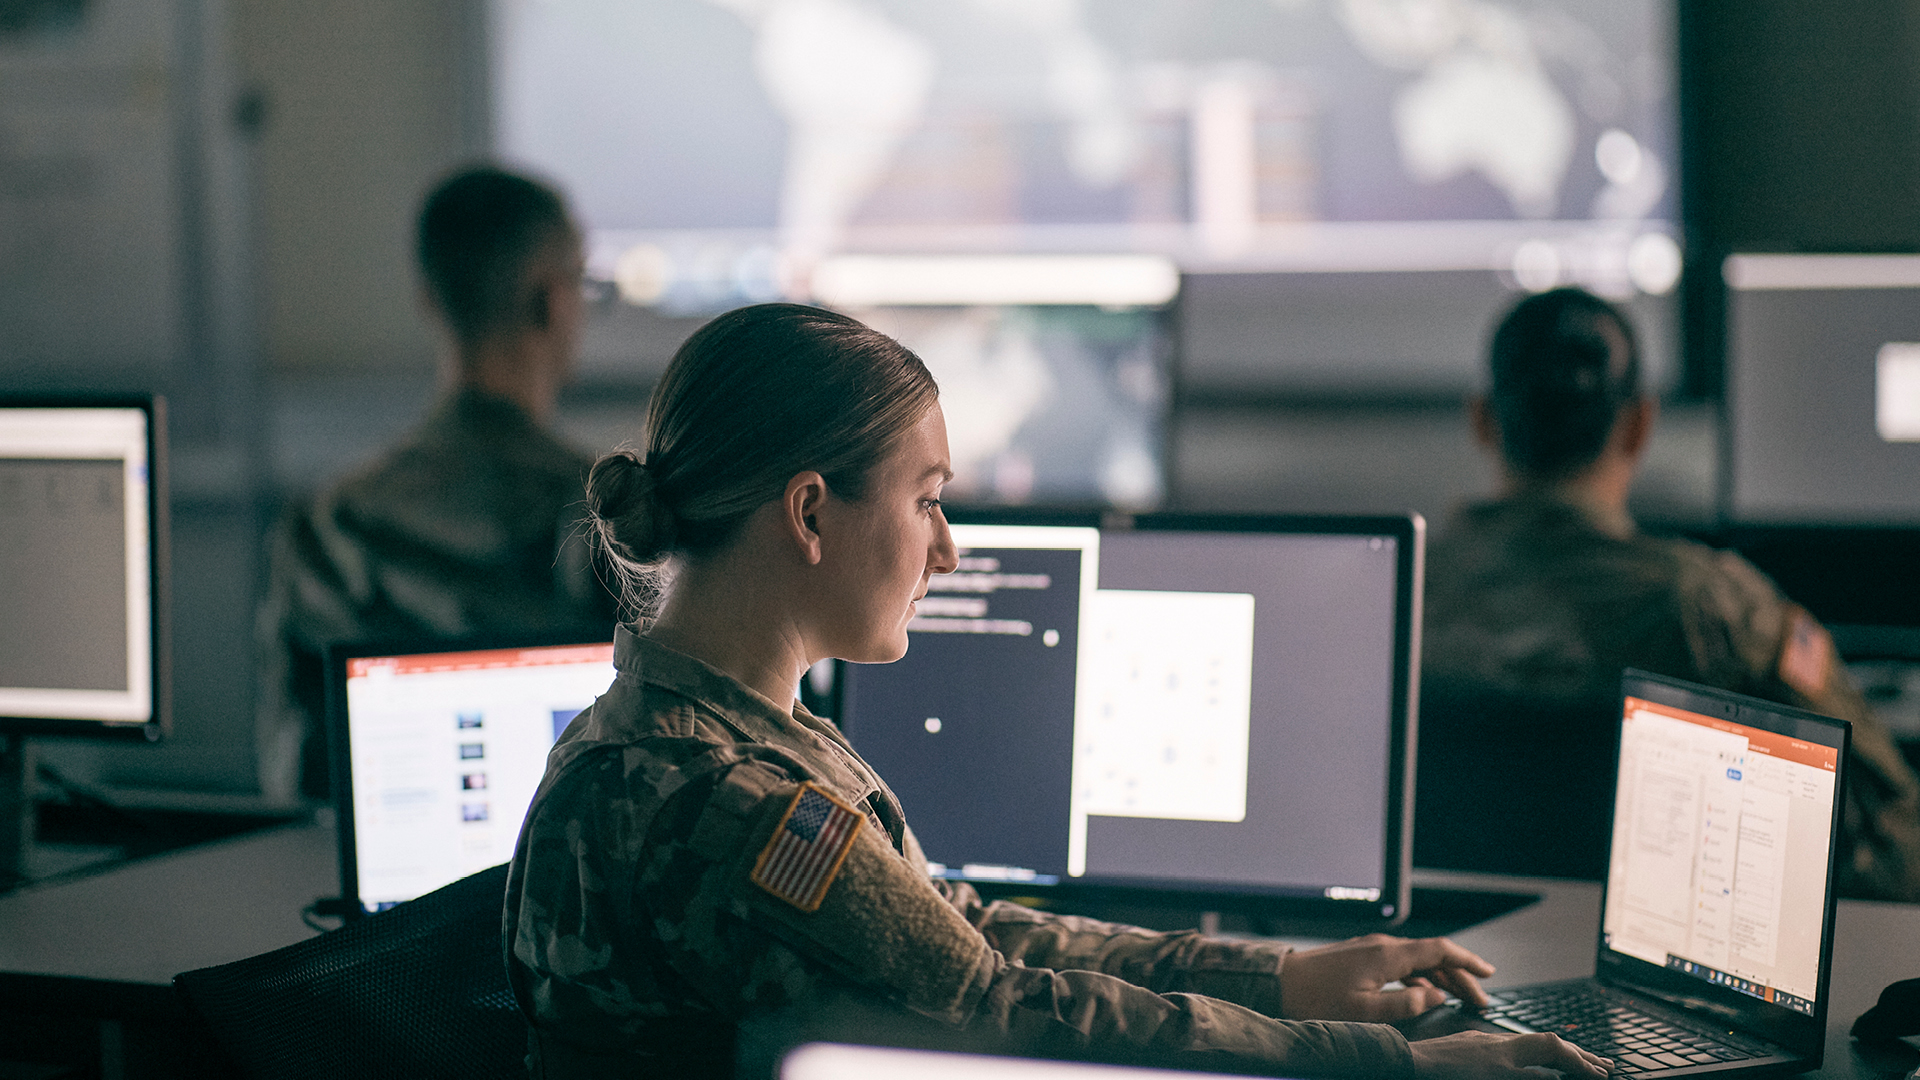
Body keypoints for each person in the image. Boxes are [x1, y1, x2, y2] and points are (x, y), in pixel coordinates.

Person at [503, 302, 1610, 1079]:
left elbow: (956, 937)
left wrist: (1287, 978)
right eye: (927, 499)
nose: (946, 550)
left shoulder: (699, 730)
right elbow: (999, 1011)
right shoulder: (726, 804)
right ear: (808, 514)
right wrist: (1394, 1067)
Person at [1424, 286, 1920, 901]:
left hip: (1445, 971)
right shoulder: (1709, 605)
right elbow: (1891, 835)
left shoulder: (1401, 595)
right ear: (1640, 424)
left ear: (1482, 421)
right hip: (1650, 978)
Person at [255, 166, 617, 803]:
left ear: (429, 298)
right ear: (553, 301)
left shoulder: (329, 524)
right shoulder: (612, 519)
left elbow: (298, 780)